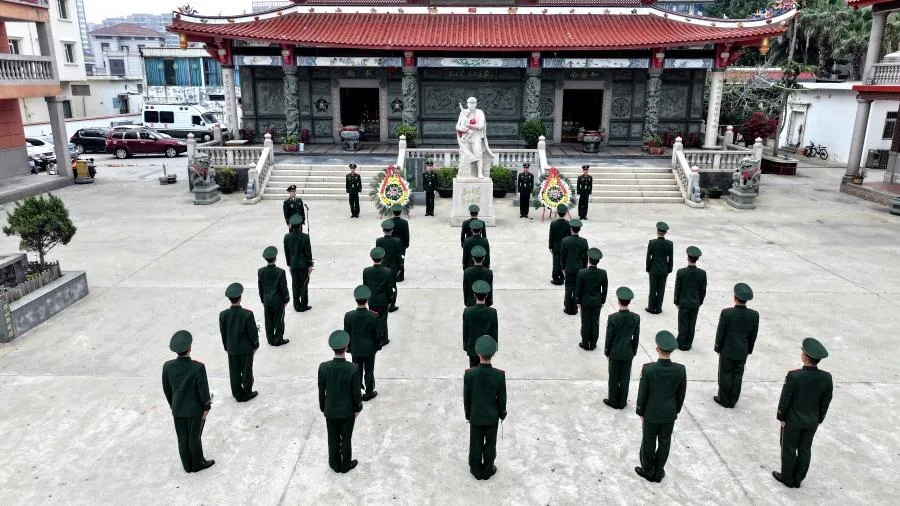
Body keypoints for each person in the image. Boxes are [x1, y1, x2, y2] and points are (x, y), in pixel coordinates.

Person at [772, 338, 833, 489]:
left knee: (789, 448)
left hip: (793, 420)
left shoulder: (794, 376)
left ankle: (787, 478)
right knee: (805, 449)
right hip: (812, 421)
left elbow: (785, 399)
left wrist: (781, 416)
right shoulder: (827, 378)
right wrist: (819, 418)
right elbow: (826, 401)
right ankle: (798, 478)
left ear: (805, 357)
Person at [635, 330, 686, 483]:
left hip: (651, 413)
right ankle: (658, 471)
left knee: (649, 441)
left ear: (657, 349)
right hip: (669, 413)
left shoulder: (648, 369)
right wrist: (675, 410)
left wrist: (640, 411)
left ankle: (647, 470)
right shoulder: (680, 370)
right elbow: (680, 394)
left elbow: (642, 393)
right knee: (665, 442)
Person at [162, 330, 214, 473]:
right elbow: (203, 389)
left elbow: (167, 389)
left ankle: (187, 465)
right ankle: (197, 464)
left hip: (177, 409)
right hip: (194, 409)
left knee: (182, 438)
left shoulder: (167, 366)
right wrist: (206, 406)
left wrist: (173, 404)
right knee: (194, 437)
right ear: (189, 348)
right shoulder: (198, 367)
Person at [318, 330, 363, 474]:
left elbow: (321, 390)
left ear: (332, 348)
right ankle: (346, 464)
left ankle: (334, 463)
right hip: (347, 411)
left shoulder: (323, 367)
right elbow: (356, 393)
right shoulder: (353, 369)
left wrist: (323, 407)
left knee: (333, 437)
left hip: (330, 409)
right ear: (347, 347)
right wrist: (358, 408)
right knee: (346, 437)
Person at [463, 336, 507, 481]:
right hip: (492, 416)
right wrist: (502, 413)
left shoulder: (469, 374)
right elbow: (502, 398)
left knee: (475, 443)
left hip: (475, 416)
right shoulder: (499, 375)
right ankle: (488, 469)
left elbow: (467, 397)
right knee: (490, 445)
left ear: (477, 353)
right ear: (493, 353)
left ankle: (476, 469)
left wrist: (468, 414)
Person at [714, 283, 759, 408]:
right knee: (738, 376)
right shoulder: (754, 315)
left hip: (727, 349)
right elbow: (753, 335)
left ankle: (723, 399)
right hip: (742, 350)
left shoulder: (726, 313)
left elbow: (721, 332)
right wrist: (749, 349)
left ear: (735, 297)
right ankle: (733, 400)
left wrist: (718, 347)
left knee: (725, 374)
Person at [219, 283, 260, 402]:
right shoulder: (247, 314)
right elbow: (252, 333)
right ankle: (247, 392)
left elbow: (223, 333)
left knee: (234, 371)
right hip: (246, 348)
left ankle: (237, 393)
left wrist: (226, 346)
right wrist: (255, 344)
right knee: (247, 370)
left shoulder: (223, 315)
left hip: (231, 347)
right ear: (240, 297)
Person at [604, 287, 640, 408]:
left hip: (615, 352)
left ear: (618, 301)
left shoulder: (613, 318)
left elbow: (609, 337)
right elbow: (636, 337)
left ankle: (613, 401)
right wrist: (633, 351)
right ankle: (622, 402)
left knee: (613, 378)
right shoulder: (636, 318)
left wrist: (607, 351)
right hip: (628, 352)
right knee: (625, 379)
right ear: (629, 302)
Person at [345, 285, 382, 401]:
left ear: (355, 299)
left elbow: (347, 334)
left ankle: (357, 392)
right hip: (370, 349)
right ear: (367, 299)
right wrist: (377, 346)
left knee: (357, 371)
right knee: (369, 371)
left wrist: (349, 348)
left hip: (356, 349)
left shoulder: (349, 316)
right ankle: (369, 392)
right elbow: (377, 334)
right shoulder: (374, 316)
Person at [673, 246, 707, 351]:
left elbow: (677, 288)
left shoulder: (681, 272)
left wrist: (676, 301)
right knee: (692, 323)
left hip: (683, 302)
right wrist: (700, 301)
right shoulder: (702, 273)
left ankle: (681, 343)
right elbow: (703, 290)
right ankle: (688, 343)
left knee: (683, 323)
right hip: (695, 302)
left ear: (687, 258)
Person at [575, 247, 608, 350]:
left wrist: (578, 301)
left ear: (589, 260)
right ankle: (593, 343)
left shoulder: (582, 272)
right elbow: (605, 289)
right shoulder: (603, 273)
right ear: (598, 261)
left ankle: (585, 343)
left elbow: (578, 289)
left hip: (585, 302)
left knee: (585, 323)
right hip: (597, 301)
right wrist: (602, 300)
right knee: (595, 322)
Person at [363, 247, 396, 347]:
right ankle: (383, 339)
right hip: (383, 300)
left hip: (372, 300)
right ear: (382, 258)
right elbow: (389, 287)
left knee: (374, 319)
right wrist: (391, 299)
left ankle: (375, 337)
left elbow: (365, 286)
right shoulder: (387, 271)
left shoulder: (366, 271)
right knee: (383, 319)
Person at [257, 246, 290, 346]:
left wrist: (262, 299)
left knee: (268, 319)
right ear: (275, 258)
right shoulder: (280, 272)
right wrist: (286, 299)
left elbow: (260, 287)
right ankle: (278, 339)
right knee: (279, 319)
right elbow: (283, 288)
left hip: (267, 299)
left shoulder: (260, 271)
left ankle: (270, 339)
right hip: (278, 300)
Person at [462, 280, 498, 368]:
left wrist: (466, 346)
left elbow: (465, 331)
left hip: (472, 347)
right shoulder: (492, 312)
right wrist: (494, 347)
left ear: (474, 295)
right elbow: (494, 331)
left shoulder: (467, 312)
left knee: (473, 371)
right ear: (486, 295)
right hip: (486, 347)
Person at [456, 96, 493, 178]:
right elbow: (457, 126)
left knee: (478, 154)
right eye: (470, 103)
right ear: (467, 104)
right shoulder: (463, 112)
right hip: (466, 137)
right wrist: (463, 129)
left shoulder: (480, 113)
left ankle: (479, 173)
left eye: (473, 103)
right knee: (466, 156)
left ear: (476, 104)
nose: (471, 105)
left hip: (476, 136)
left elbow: (481, 125)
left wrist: (470, 125)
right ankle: (466, 173)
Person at [284, 214, 314, 312]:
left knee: (295, 285)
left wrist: (289, 264)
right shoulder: (305, 237)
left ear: (291, 226)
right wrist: (310, 265)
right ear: (301, 225)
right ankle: (304, 305)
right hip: (304, 264)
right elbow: (308, 252)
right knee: (304, 285)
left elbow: (287, 252)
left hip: (293, 264)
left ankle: (296, 305)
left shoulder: (287, 237)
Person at [561, 219, 588, 315]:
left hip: (568, 268)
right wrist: (585, 268)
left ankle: (568, 308)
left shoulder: (565, 241)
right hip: (579, 269)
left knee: (568, 289)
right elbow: (585, 258)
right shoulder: (584, 242)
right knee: (577, 289)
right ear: (579, 229)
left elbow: (562, 256)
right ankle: (575, 308)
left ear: (571, 229)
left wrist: (563, 267)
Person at [645, 221, 673, 314]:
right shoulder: (669, 244)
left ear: (657, 231)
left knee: (653, 289)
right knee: (661, 290)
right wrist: (669, 270)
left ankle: (651, 307)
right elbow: (670, 258)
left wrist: (648, 269)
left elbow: (649, 257)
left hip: (653, 269)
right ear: (665, 232)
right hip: (664, 269)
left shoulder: (652, 242)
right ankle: (658, 308)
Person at [376, 219, 403, 311]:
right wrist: (400, 267)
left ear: (383, 230)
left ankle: (385, 302)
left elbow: (378, 254)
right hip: (393, 268)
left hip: (382, 266)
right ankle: (391, 305)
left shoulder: (379, 241)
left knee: (383, 286)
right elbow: (398, 256)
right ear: (392, 230)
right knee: (392, 286)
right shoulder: (397, 241)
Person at [548, 204, 571, 285]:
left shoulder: (553, 224)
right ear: (565, 213)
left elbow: (551, 236)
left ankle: (555, 278)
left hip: (556, 246)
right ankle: (562, 278)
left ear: (557, 212)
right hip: (564, 246)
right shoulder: (568, 224)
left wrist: (550, 246)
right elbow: (569, 236)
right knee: (563, 262)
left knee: (555, 262)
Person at [391, 204, 410, 282]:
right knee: (401, 261)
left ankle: (393, 276)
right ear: (400, 212)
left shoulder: (389, 222)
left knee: (392, 260)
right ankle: (400, 277)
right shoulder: (404, 222)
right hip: (401, 245)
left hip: (392, 244)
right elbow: (406, 234)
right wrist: (406, 244)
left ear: (393, 212)